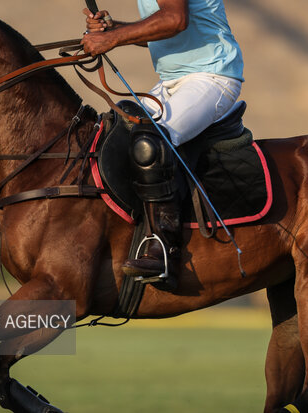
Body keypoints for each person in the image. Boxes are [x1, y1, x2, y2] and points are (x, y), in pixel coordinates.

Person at [82, 0, 244, 283]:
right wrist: (115, 28)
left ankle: (164, 247)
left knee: (150, 145)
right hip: (172, 81)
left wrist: (111, 38)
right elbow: (162, 28)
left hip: (211, 76)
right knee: (115, 136)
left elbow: (175, 20)